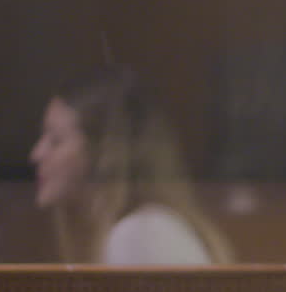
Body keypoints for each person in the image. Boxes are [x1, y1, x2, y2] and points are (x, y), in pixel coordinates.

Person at [29, 67, 232, 267]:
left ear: (103, 153)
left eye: (56, 140)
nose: (36, 154)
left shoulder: (141, 234)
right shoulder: (141, 228)